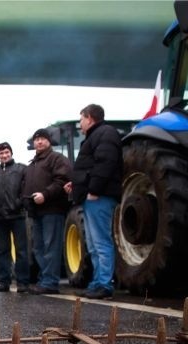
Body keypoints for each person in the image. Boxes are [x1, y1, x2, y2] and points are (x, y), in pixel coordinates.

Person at [65, 104, 123, 300]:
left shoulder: (105, 134)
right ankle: (98, 282)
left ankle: (104, 284)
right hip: (92, 196)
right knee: (93, 243)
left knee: (100, 242)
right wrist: (76, 184)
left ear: (89, 118)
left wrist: (95, 190)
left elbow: (105, 163)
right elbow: (90, 168)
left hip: (99, 197)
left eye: (81, 119)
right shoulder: (98, 136)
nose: (80, 123)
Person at [22, 128, 72, 295]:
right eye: (37, 139)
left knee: (51, 246)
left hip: (52, 209)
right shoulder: (32, 165)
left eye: (43, 139)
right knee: (38, 248)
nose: (40, 142)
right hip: (36, 212)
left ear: (49, 141)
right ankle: (45, 279)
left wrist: (45, 194)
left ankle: (50, 282)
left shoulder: (57, 159)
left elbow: (62, 180)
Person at [0, 141, 30, 293]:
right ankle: (4, 282)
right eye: (1, 153)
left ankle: (23, 282)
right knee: (2, 251)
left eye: (6, 152)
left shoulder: (21, 169)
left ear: (11, 153)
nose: (4, 155)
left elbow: (25, 190)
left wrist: (19, 204)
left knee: (21, 251)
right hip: (0, 219)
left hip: (17, 215)